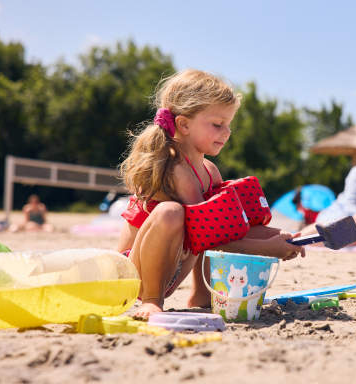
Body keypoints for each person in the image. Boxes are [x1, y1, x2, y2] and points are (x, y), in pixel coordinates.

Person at [116, 69, 305, 319]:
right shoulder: (175, 169)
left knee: (214, 212)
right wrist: (267, 248)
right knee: (173, 213)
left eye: (228, 125)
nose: (226, 132)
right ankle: (151, 301)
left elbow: (223, 229)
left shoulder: (208, 171)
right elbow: (207, 238)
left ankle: (202, 295)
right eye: (217, 124)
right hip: (134, 277)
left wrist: (279, 237)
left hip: (171, 270)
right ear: (183, 124)